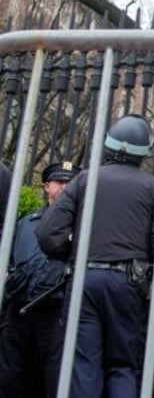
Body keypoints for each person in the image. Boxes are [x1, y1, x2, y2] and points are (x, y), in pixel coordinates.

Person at [36, 114, 154, 397]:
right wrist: (143, 258)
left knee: (82, 363)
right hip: (127, 283)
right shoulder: (153, 187)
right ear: (144, 152)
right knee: (123, 365)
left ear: (108, 144)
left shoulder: (84, 180)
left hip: (85, 280)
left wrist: (75, 254)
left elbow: (48, 233)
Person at [0, 160, 80, 397]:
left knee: (53, 379)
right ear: (46, 186)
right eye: (60, 182)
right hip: (19, 310)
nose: (65, 187)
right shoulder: (26, 223)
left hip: (55, 311)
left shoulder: (83, 228)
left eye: (70, 183)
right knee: (9, 376)